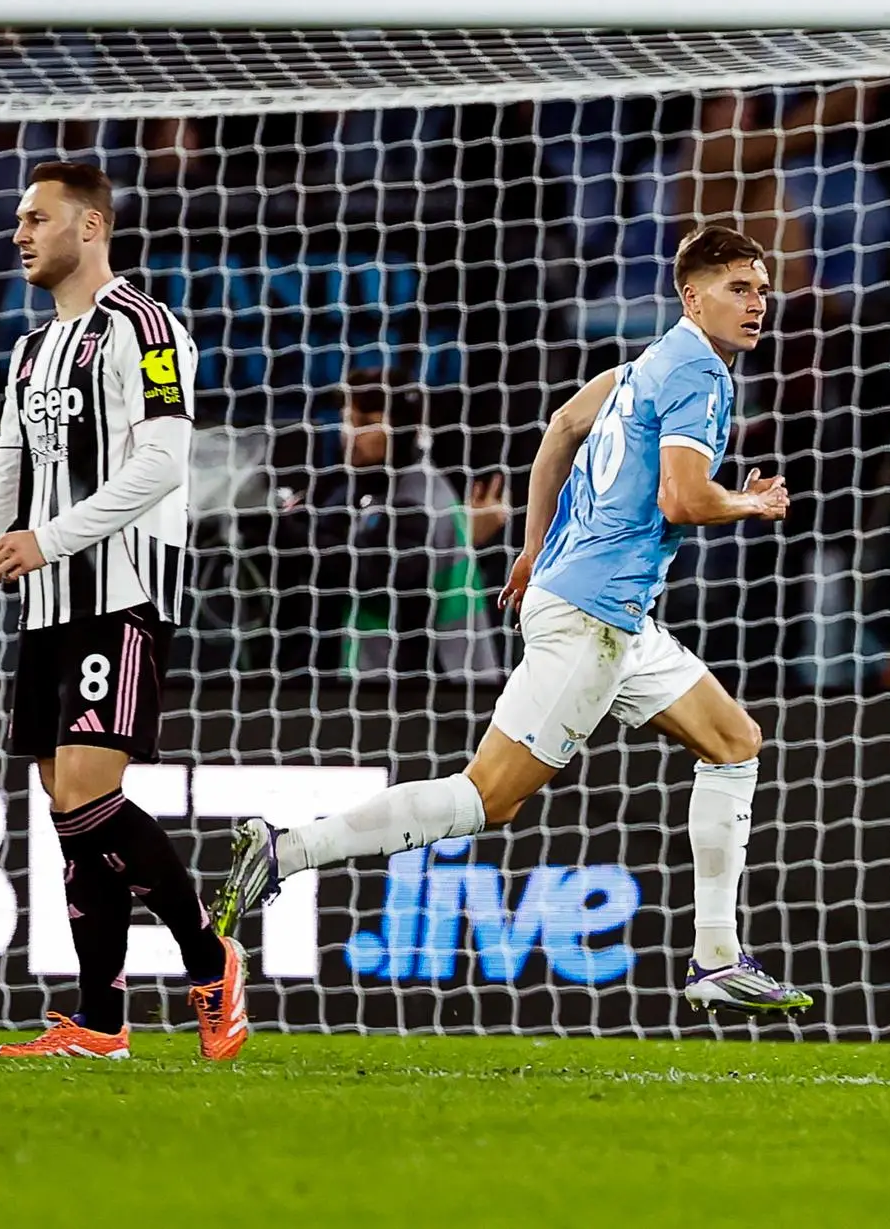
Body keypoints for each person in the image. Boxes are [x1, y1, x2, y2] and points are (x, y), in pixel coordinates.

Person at [215, 224, 814, 1018]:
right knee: (487, 798)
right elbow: (683, 498)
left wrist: (532, 548)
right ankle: (289, 847)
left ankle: (715, 955)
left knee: (734, 741)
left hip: (607, 611)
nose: (757, 303)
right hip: (594, 617)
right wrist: (752, 500)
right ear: (691, 294)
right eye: (740, 287)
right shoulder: (700, 373)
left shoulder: (641, 365)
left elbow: (561, 429)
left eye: (763, 290)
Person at [0, 161, 248, 1062]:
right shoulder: (30, 350)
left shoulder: (147, 327)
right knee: (65, 802)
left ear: (90, 227)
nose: (18, 232)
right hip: (44, 607)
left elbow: (163, 463)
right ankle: (101, 1022)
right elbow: (1, 480)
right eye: (16, 219)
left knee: (87, 794)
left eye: (36, 218)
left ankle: (211, 956)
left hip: (120, 592)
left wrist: (51, 537)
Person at [259, 368, 506, 679]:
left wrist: (291, 532)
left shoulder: (420, 498)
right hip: (381, 679)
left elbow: (376, 571)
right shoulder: (361, 487)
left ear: (400, 430)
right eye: (348, 420)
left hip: (440, 682)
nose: (349, 433)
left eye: (365, 423)